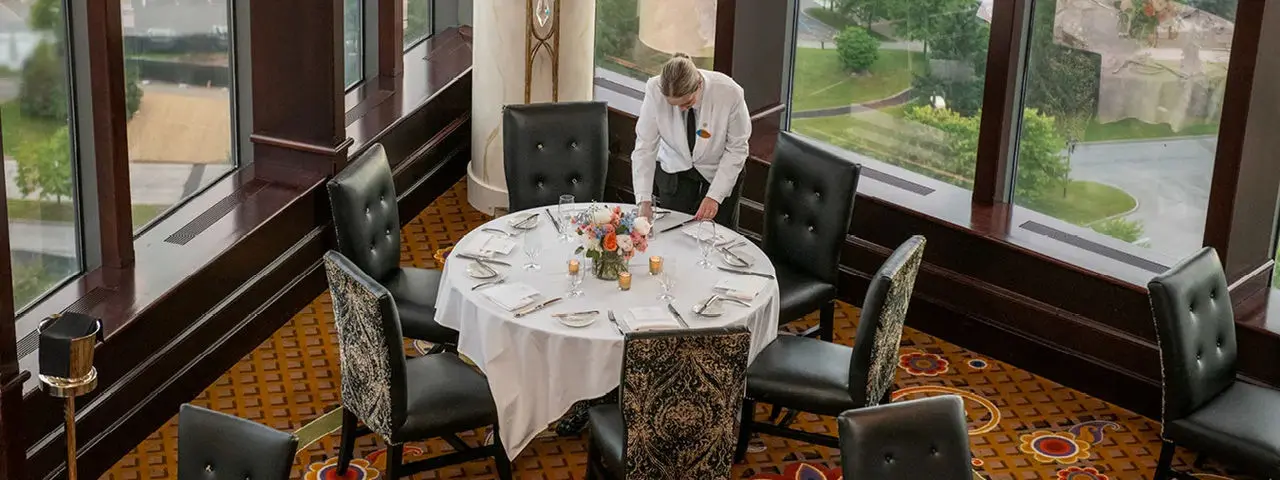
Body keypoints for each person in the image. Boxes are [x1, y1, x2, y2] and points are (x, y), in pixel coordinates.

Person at [631, 53, 751, 227]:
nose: (680, 109)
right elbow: (645, 147)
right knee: (672, 234)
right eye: (674, 105)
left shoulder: (730, 93)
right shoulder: (654, 89)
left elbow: (737, 148)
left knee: (717, 237)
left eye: (687, 103)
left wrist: (714, 196)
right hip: (675, 171)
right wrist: (643, 200)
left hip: (719, 172)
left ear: (699, 84)